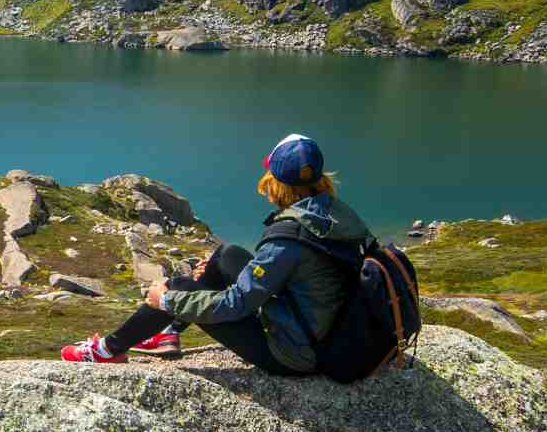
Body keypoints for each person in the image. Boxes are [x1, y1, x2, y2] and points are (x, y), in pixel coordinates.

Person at [59, 133, 369, 373]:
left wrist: (167, 300)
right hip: (325, 328)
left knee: (178, 288)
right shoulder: (336, 213)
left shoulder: (288, 237)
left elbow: (237, 304)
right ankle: (169, 330)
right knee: (227, 254)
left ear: (275, 183)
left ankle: (107, 350)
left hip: (295, 355)